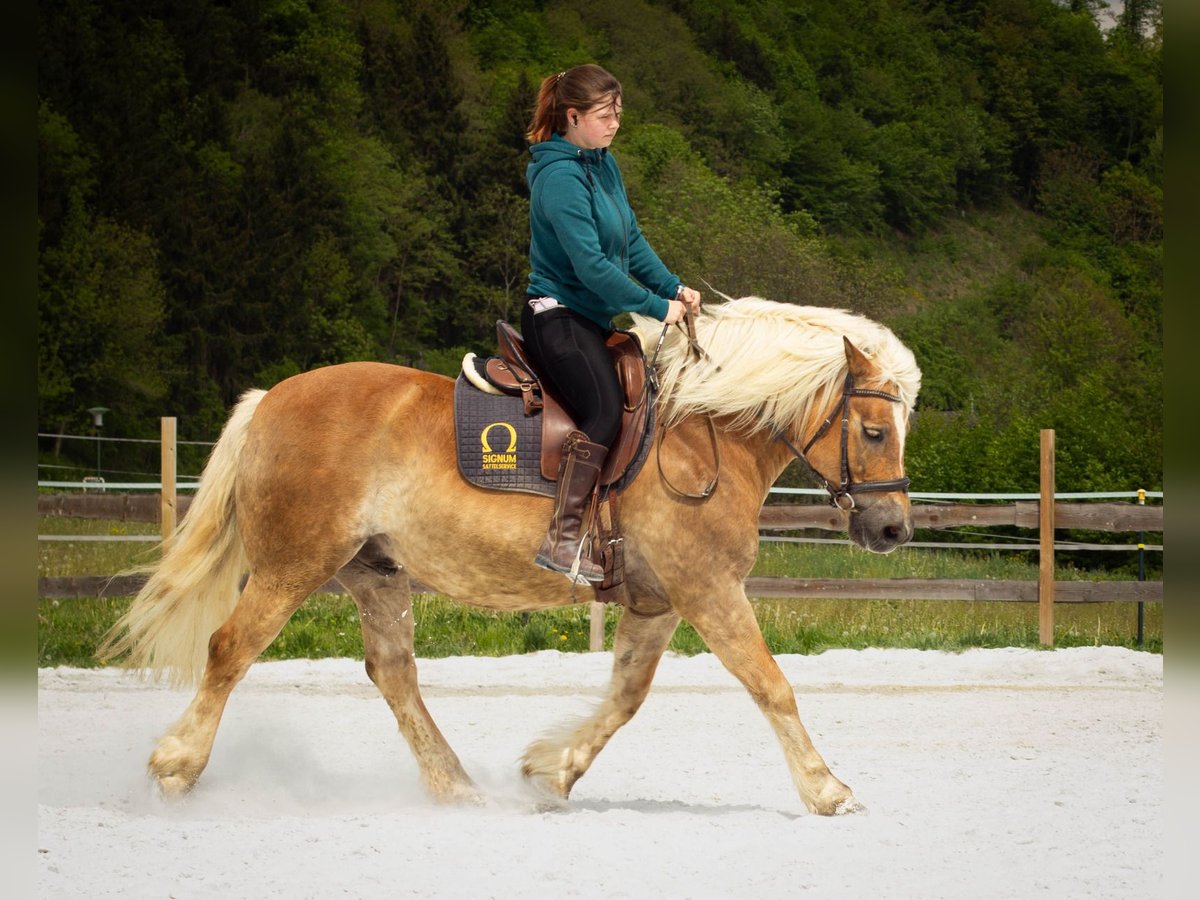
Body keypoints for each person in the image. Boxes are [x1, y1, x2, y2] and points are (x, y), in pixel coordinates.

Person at [521, 63, 702, 584]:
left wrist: (672, 286)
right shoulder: (558, 177)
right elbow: (593, 268)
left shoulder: (603, 164)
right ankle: (563, 538)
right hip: (556, 317)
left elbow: (631, 242)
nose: (614, 123)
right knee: (602, 410)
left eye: (618, 113)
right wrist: (654, 306)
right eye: (604, 115)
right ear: (572, 116)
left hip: (591, 317)